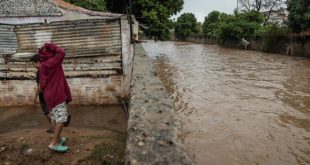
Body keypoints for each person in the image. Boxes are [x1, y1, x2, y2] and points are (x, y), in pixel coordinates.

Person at [38, 43, 72, 153]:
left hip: (48, 95)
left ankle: (59, 138)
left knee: (54, 117)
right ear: (52, 53)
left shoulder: (43, 65)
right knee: (61, 119)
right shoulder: (55, 61)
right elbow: (62, 52)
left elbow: (42, 85)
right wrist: (49, 44)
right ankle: (54, 143)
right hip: (56, 94)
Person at [30, 54, 54, 133]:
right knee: (52, 111)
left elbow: (40, 87)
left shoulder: (39, 72)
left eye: (33, 63)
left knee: (46, 111)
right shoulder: (47, 69)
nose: (33, 65)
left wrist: (35, 96)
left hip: (43, 95)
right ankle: (58, 124)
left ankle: (55, 127)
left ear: (38, 62)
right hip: (51, 92)